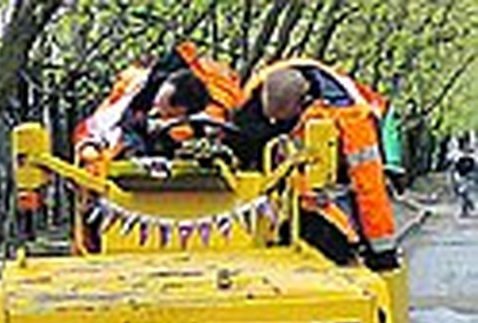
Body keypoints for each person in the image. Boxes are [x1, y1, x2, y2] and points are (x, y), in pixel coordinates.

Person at [232, 59, 399, 271]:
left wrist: (382, 251)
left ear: (304, 103)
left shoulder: (352, 120)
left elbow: (370, 186)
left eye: (282, 120)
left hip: (325, 196)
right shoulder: (254, 96)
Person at [73, 41, 241, 163]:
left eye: (162, 111)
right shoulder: (143, 86)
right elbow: (108, 121)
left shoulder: (213, 111)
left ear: (181, 112)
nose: (155, 111)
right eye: (156, 105)